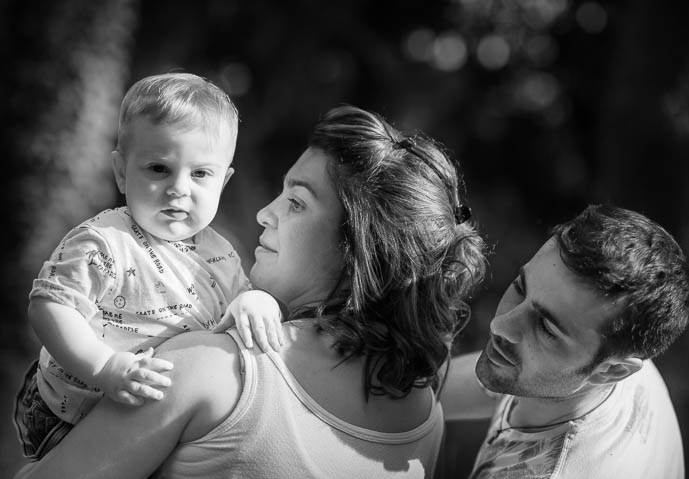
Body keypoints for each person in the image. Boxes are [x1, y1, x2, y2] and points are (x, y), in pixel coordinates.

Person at [14, 104, 487, 478]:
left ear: (361, 250)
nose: (265, 212)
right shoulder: (424, 416)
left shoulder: (210, 367)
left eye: (296, 202)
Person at [14, 72, 282, 460]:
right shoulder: (104, 241)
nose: (179, 188)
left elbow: (237, 309)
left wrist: (255, 301)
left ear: (223, 183)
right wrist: (104, 367)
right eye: (159, 169)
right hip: (70, 409)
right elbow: (49, 307)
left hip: (151, 410)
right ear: (122, 172)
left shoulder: (221, 253)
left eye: (200, 174)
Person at [441, 205, 689, 479]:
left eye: (547, 329)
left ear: (611, 371)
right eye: (519, 287)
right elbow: (432, 389)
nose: (499, 325)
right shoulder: (614, 343)